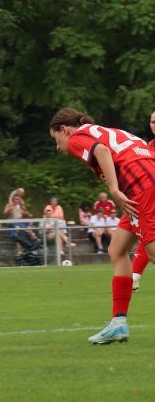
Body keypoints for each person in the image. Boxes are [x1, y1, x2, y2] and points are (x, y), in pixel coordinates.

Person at [48, 107, 155, 344]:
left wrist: (115, 190)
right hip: (144, 181)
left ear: (64, 130)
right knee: (117, 250)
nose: (58, 147)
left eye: (56, 140)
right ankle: (118, 322)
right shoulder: (104, 130)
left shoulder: (78, 137)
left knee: (152, 251)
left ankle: (118, 323)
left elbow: (103, 151)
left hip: (140, 185)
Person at [131, 109, 155, 290]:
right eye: (153, 122)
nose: (154, 125)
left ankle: (134, 277)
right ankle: (134, 276)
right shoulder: (148, 147)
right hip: (149, 196)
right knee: (147, 236)